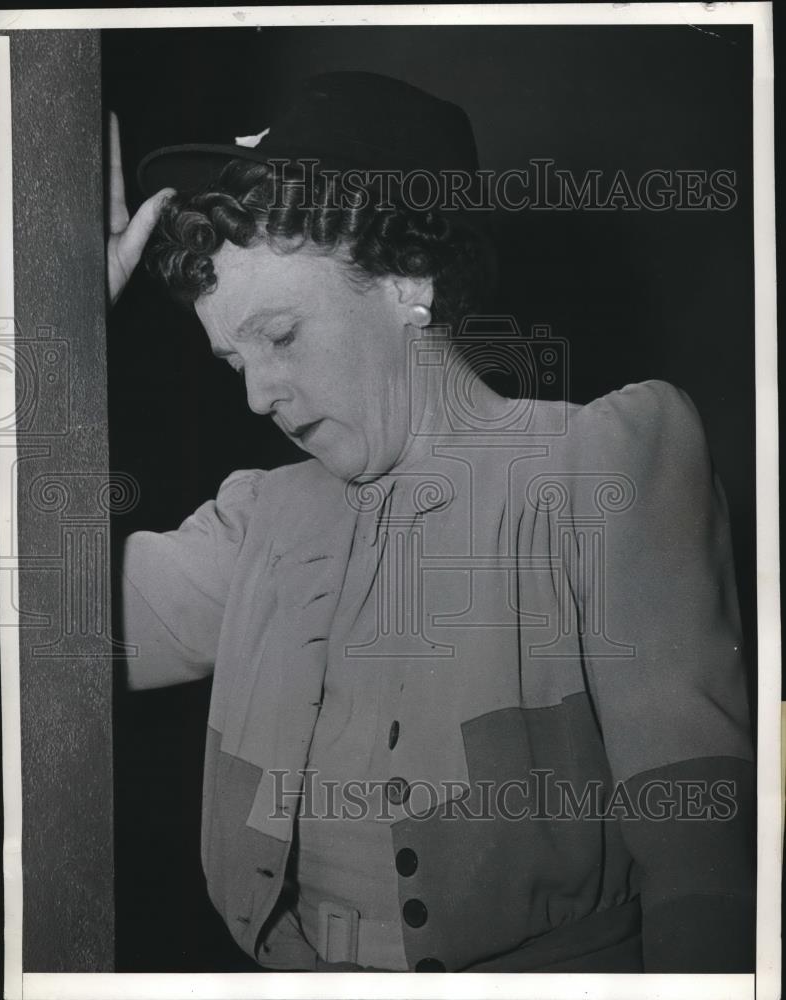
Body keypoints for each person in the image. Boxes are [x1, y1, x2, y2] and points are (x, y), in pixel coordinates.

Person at [110, 71, 755, 973]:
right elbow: (37, 625)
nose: (258, 395)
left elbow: (705, 869)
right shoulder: (263, 519)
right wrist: (48, 324)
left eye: (282, 336)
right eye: (232, 361)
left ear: (410, 283)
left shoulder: (598, 467)